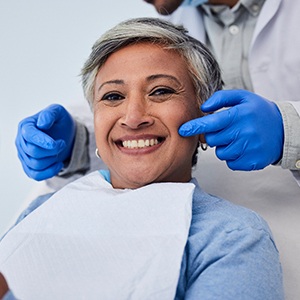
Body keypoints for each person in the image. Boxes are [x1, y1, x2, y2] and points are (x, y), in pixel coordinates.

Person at [1, 18, 283, 299]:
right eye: (112, 96)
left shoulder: (231, 237)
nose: (133, 118)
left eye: (161, 91)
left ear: (205, 118)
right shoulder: (42, 210)